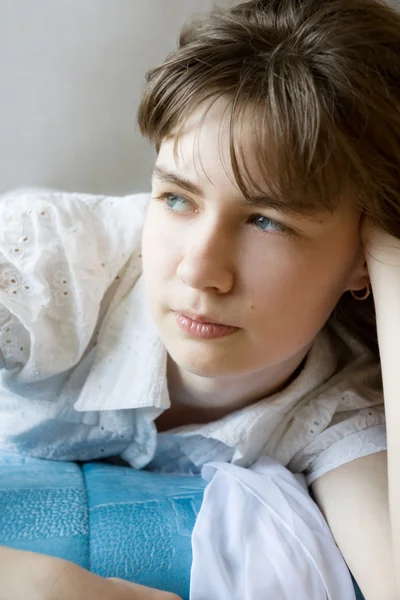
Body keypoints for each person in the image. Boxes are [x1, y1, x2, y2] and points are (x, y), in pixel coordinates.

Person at [0, 0, 399, 597]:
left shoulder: (340, 405)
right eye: (177, 199)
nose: (200, 270)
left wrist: (392, 257)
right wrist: (54, 586)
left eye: (267, 221)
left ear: (361, 255)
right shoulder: (50, 262)